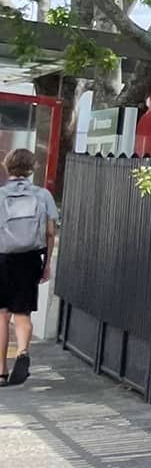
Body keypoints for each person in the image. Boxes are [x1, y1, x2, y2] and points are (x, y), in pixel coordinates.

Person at [0, 148, 58, 387]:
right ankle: (23, 352)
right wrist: (46, 265)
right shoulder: (43, 195)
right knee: (23, 313)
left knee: (2, 314)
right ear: (32, 168)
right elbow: (50, 232)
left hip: (2, 257)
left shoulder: (0, 195)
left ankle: (1, 371)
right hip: (31, 258)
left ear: (7, 167)